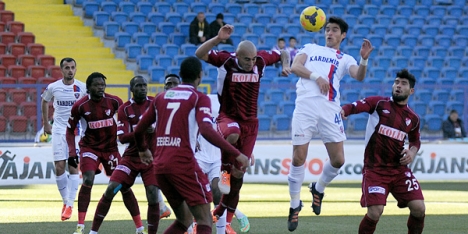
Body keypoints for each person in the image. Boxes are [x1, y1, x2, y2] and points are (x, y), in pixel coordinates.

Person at [134, 57, 249, 234]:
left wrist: (143, 150)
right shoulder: (198, 97)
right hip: (184, 163)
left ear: (181, 75)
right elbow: (206, 130)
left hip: (160, 166)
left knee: (184, 219)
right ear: (200, 76)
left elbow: (138, 129)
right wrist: (236, 153)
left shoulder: (161, 98)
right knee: (204, 219)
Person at [195, 24, 291, 231]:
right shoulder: (225, 60)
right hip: (227, 117)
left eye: (253, 59)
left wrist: (285, 65)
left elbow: (283, 52)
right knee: (231, 134)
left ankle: (221, 210)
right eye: (246, 59)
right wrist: (217, 39)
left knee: (240, 174)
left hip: (251, 123)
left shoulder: (261, 61)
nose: (250, 63)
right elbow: (199, 53)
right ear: (237, 56)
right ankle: (223, 171)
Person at [286, 16, 373, 232]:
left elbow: (358, 76)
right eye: (327, 29)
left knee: (338, 159)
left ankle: (318, 188)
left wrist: (363, 60)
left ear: (343, 35)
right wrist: (316, 76)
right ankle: (294, 204)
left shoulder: (345, 58)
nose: (329, 33)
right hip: (305, 107)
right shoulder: (310, 47)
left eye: (335, 30)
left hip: (330, 110)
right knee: (298, 157)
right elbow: (295, 66)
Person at [341, 69, 425, 234]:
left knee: (419, 208)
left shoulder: (413, 118)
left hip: (399, 170)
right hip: (375, 170)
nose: (398, 86)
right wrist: (344, 110)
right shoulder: (379, 103)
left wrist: (412, 152)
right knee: (375, 211)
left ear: (411, 90)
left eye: (403, 83)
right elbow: (356, 106)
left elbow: (415, 140)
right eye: (396, 82)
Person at [88, 76, 172, 234]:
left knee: (153, 194)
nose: (142, 88)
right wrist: (141, 129)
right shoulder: (125, 109)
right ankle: (93, 231)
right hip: (131, 159)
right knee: (112, 188)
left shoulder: (156, 104)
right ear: (132, 89)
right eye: (138, 86)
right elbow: (123, 137)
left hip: (151, 160)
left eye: (144, 85)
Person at [66, 72, 143, 234]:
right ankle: (80, 226)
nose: (100, 87)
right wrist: (72, 153)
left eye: (102, 84)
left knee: (123, 186)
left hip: (111, 150)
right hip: (89, 149)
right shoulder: (80, 106)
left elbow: (126, 119)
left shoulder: (114, 101)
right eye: (97, 85)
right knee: (88, 179)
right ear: (88, 88)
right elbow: (70, 130)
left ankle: (139, 227)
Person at [190, 94, 251, 234]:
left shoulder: (233, 110)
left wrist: (247, 149)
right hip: (199, 156)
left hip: (220, 158)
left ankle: (222, 229)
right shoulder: (205, 102)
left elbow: (240, 129)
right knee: (196, 190)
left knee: (220, 190)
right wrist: (192, 138)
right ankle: (194, 225)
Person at [41, 57, 87, 221]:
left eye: (72, 67)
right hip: (59, 130)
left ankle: (70, 205)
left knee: (73, 167)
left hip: (75, 131)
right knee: (59, 167)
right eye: (66, 67)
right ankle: (65, 201)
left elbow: (89, 106)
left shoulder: (83, 87)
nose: (70, 70)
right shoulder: (53, 87)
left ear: (76, 69)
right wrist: (46, 123)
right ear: (61, 70)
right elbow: (45, 101)